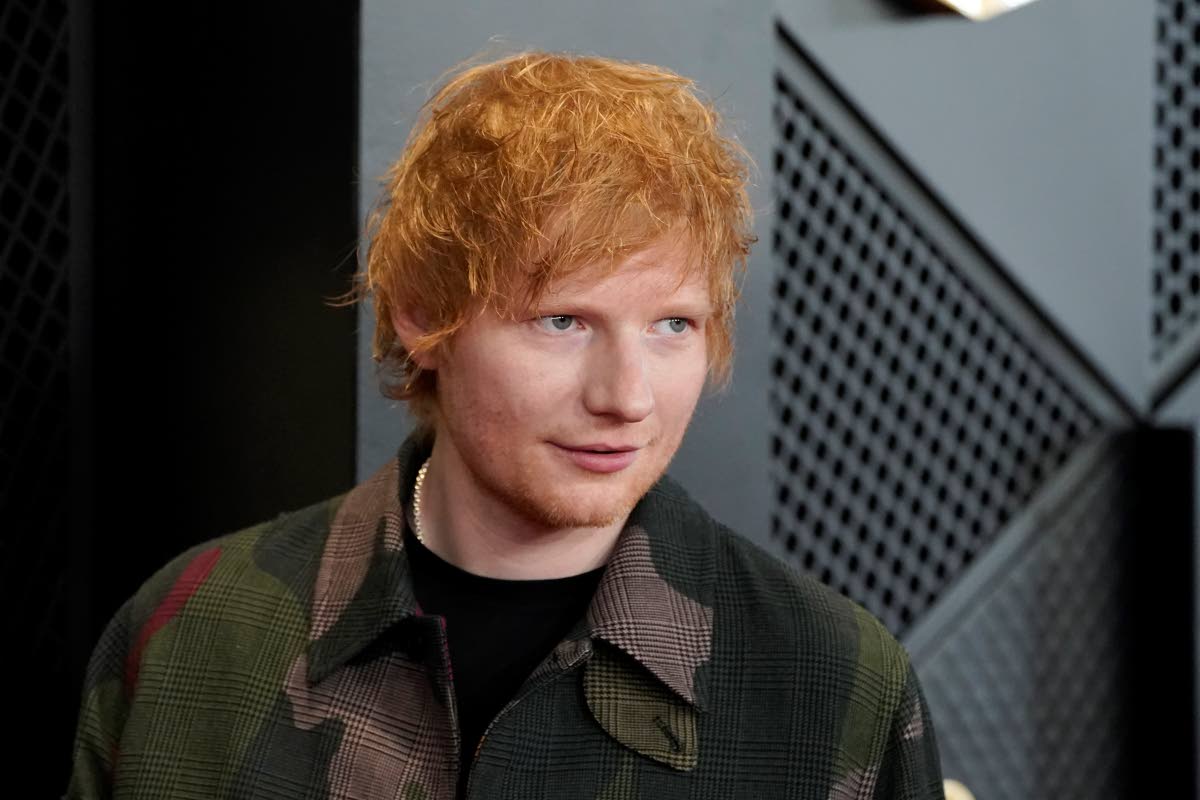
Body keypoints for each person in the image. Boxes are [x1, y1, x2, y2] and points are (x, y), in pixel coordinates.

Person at [66, 51, 945, 799]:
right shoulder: (192, 630)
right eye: (563, 321)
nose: (627, 397)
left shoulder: (831, 679)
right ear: (422, 315)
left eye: (672, 324)